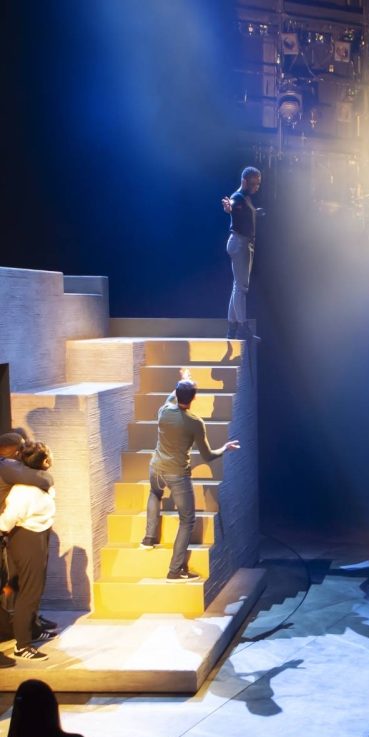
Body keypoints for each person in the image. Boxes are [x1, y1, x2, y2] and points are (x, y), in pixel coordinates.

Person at [140, 370, 240, 580]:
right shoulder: (194, 422)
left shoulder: (164, 410)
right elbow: (208, 455)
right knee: (187, 520)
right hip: (177, 474)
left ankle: (149, 538)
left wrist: (184, 380)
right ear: (194, 399)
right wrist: (225, 448)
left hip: (156, 467)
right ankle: (174, 570)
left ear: (176, 393)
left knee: (155, 493)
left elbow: (173, 395)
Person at [0, 442, 58, 663]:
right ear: (44, 461)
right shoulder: (24, 489)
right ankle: (22, 645)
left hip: (38, 535)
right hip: (26, 538)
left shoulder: (36, 480)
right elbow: (9, 518)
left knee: (35, 586)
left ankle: (31, 630)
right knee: (29, 591)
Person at [221, 166, 262, 340]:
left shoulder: (245, 198)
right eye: (254, 183)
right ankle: (242, 328)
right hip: (240, 243)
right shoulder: (237, 197)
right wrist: (228, 207)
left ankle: (232, 328)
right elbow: (232, 206)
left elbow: (242, 211)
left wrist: (255, 213)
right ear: (244, 181)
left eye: (258, 184)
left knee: (237, 286)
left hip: (242, 243)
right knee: (241, 287)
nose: (256, 187)